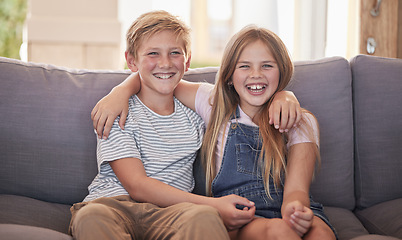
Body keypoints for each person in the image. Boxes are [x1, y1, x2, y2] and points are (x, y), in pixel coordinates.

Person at [93, 24, 337, 239]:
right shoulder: (214, 105)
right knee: (280, 232)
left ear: (281, 70)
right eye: (244, 66)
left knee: (322, 233)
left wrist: (295, 211)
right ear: (229, 75)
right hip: (241, 213)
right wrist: (120, 91)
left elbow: (296, 189)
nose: (256, 75)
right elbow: (160, 81)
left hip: (291, 205)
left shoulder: (301, 121)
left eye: (267, 66)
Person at [69, 10, 259, 240]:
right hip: (114, 206)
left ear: (187, 60)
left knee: (205, 217)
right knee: (91, 217)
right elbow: (137, 186)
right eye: (153, 53)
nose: (165, 63)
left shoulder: (195, 114)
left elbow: (249, 100)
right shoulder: (117, 111)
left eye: (175, 53)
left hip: (173, 214)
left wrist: (283, 97)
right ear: (131, 60)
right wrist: (214, 204)